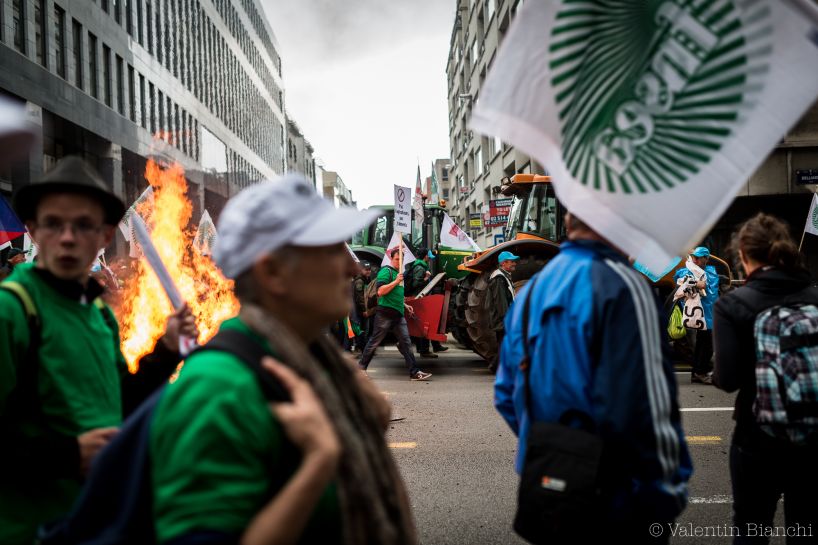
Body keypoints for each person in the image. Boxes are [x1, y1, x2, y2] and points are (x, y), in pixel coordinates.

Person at [150, 174, 417, 544]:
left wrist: (367, 421)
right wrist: (319, 461)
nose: (352, 268)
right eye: (330, 250)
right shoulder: (217, 387)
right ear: (273, 272)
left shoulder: (316, 361)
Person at [0, 156, 197, 545]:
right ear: (34, 230)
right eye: (54, 224)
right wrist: (67, 455)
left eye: (83, 225)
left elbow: (121, 401)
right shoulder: (11, 311)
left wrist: (167, 350)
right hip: (29, 531)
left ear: (105, 236)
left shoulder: (98, 316)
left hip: (96, 522)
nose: (68, 237)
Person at [495, 212, 691, 542]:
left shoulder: (531, 293)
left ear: (569, 223)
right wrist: (666, 494)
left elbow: (506, 394)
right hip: (618, 494)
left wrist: (556, 446)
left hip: (550, 487)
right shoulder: (627, 287)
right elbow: (651, 410)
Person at [713, 213, 818, 544]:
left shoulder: (733, 304)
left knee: (751, 525)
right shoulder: (814, 296)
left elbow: (727, 379)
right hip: (814, 438)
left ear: (743, 253)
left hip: (757, 437)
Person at [358, 247, 432, 381]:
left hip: (398, 314)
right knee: (374, 341)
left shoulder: (399, 274)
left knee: (406, 343)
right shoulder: (386, 272)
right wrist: (396, 281)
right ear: (392, 258)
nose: (399, 262)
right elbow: (381, 291)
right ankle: (361, 368)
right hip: (385, 313)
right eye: (397, 259)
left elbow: (395, 294)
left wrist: (405, 305)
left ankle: (414, 372)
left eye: (401, 259)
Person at [673, 246, 719, 384]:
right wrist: (697, 283)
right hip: (694, 314)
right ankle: (700, 372)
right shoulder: (686, 270)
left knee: (704, 344)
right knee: (703, 344)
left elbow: (708, 288)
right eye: (694, 257)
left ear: (706, 258)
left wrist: (696, 283)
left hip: (709, 313)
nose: (696, 260)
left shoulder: (711, 272)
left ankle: (698, 372)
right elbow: (681, 280)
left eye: (699, 257)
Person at [406, 248, 448, 357]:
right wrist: (427, 278)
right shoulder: (420, 268)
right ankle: (424, 350)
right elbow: (416, 284)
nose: (429, 259)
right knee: (424, 324)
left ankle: (431, 347)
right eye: (428, 257)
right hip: (420, 299)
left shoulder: (421, 266)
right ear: (425, 256)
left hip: (421, 298)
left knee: (425, 323)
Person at [485, 250, 519, 372]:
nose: (514, 263)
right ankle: (495, 367)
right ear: (504, 263)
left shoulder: (503, 277)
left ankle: (497, 367)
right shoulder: (499, 279)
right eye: (512, 261)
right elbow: (501, 303)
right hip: (502, 319)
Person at [352, 261, 373, 351]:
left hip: (362, 309)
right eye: (366, 270)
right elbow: (360, 298)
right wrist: (364, 310)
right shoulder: (360, 281)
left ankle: (362, 347)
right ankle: (362, 348)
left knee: (364, 330)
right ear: (361, 270)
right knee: (361, 330)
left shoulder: (366, 279)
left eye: (369, 269)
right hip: (358, 310)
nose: (368, 271)